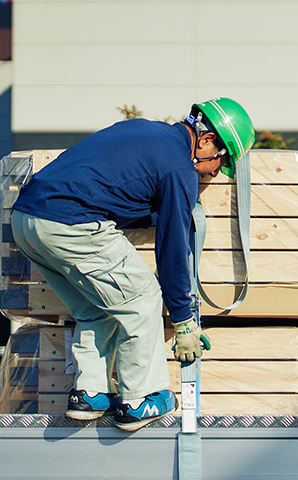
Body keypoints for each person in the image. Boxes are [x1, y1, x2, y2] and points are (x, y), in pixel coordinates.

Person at [10, 98, 255, 431]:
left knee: (96, 309)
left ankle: (91, 393)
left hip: (26, 220)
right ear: (207, 140)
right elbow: (172, 249)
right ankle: (141, 398)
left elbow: (117, 193)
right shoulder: (178, 168)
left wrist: (163, 208)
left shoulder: (146, 132)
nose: (213, 172)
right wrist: (183, 319)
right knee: (141, 298)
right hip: (71, 223)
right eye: (219, 163)